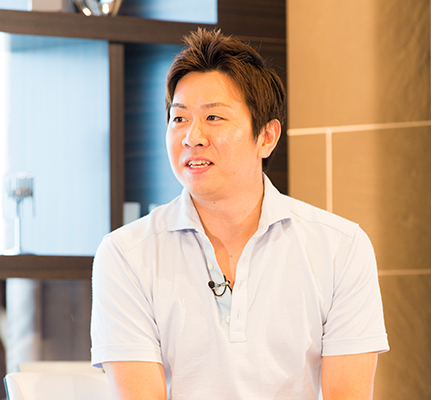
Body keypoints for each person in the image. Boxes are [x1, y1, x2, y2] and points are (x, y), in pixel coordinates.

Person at [91, 28, 389, 399]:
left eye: (214, 117)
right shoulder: (126, 254)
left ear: (267, 137)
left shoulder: (340, 247)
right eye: (179, 118)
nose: (192, 137)